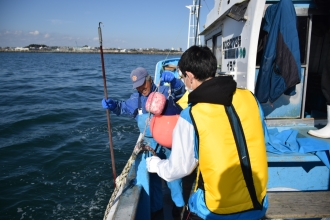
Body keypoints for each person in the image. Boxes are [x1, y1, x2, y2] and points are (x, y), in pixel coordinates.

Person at [146, 46, 269, 220]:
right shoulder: (250, 98)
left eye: (182, 77)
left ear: (189, 76)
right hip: (259, 202)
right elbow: (261, 138)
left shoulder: (191, 115)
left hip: (218, 210)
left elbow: (179, 168)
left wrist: (155, 165)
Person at [101, 67, 186, 219]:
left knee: (174, 177)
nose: (141, 88)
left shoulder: (164, 91)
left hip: (169, 144)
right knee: (153, 178)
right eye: (138, 86)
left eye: (143, 84)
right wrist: (113, 105)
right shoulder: (136, 99)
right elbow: (123, 108)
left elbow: (180, 92)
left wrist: (174, 81)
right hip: (149, 145)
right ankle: (156, 209)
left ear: (149, 79)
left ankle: (179, 207)